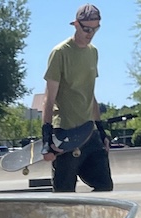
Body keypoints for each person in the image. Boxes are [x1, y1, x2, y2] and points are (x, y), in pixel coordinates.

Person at [40, 4, 112, 194]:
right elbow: (49, 97)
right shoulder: (60, 53)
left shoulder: (93, 52)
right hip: (65, 133)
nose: (90, 33)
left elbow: (90, 92)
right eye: (86, 29)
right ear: (75, 25)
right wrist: (47, 138)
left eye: (95, 29)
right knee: (64, 195)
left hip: (90, 132)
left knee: (105, 187)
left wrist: (101, 131)